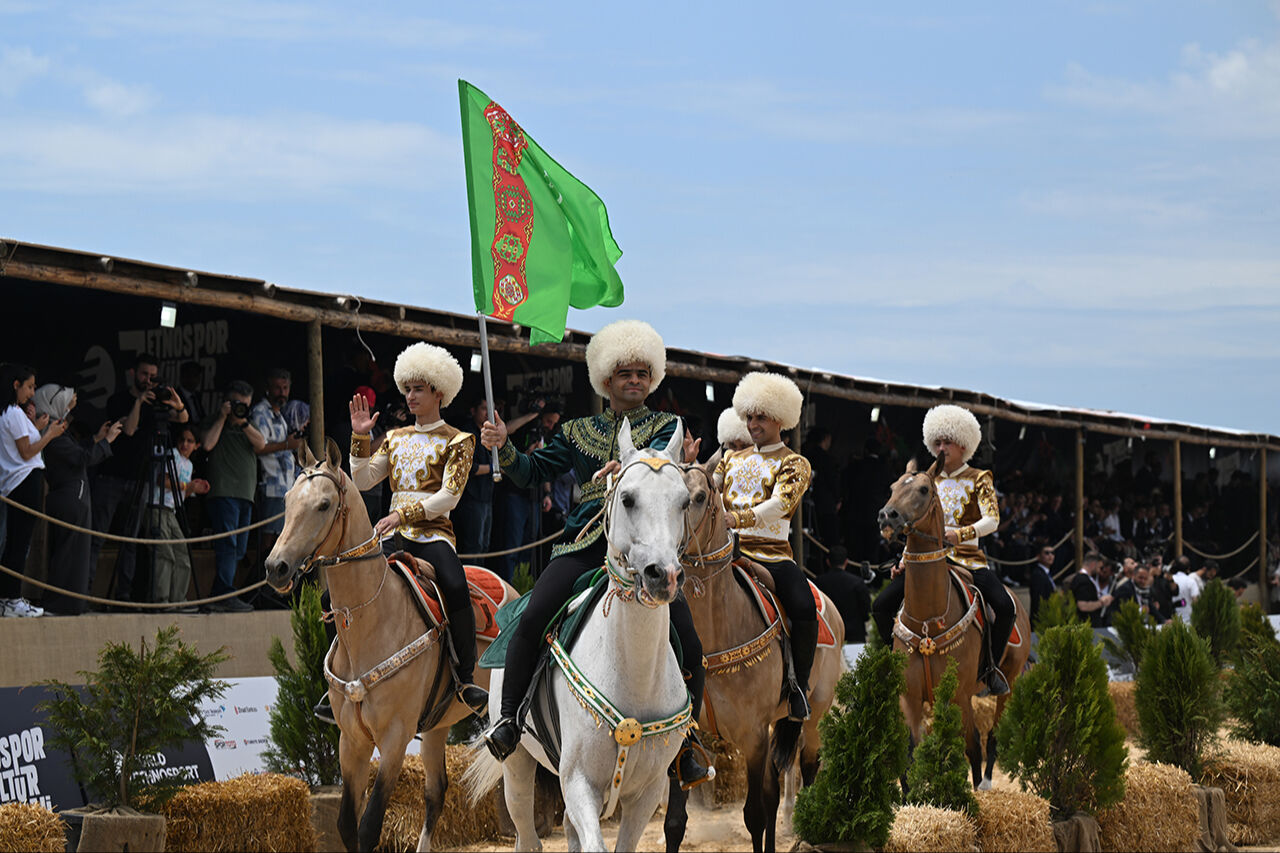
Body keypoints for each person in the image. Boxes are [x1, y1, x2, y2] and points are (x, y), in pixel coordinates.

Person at [479, 319, 710, 789]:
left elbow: (664, 476)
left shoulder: (667, 426)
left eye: (644, 374)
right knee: (533, 616)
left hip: (642, 551)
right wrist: (505, 448)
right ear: (606, 380)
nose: (635, 381)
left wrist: (655, 465)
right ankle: (506, 720)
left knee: (690, 641)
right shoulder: (577, 430)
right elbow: (532, 471)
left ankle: (686, 743)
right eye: (626, 373)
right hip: (585, 542)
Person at [348, 342, 487, 713]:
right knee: (337, 595)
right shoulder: (394, 437)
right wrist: (361, 437)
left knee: (456, 585)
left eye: (418, 389)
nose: (410, 396)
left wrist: (401, 515)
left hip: (434, 535)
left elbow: (449, 498)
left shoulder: (460, 440)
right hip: (390, 536)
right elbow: (362, 480)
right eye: (407, 388)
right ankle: (341, 678)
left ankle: (466, 677)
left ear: (439, 392)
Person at [871, 404, 1013, 696]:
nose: (942, 447)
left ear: (963, 445)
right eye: (937, 442)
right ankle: (892, 666)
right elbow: (911, 525)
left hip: (969, 560)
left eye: (948, 441)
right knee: (881, 605)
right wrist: (902, 560)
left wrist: (960, 534)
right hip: (923, 561)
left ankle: (990, 668)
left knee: (1005, 606)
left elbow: (993, 520)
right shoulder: (926, 481)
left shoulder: (979, 477)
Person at [716, 371, 818, 719]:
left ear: (780, 419)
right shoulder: (730, 459)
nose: (753, 423)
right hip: (724, 553)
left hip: (773, 556)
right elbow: (705, 488)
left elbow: (781, 503)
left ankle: (798, 689)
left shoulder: (795, 463)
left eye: (761, 416)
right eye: (749, 416)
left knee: (804, 608)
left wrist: (736, 520)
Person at [90, 353, 189, 601]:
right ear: (134, 373)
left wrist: (178, 404)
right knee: (99, 537)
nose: (149, 380)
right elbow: (131, 430)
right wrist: (138, 402)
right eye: (145, 374)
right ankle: (86, 591)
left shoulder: (158, 402)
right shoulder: (118, 400)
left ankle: (124, 595)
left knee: (130, 540)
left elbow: (184, 419)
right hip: (111, 477)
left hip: (140, 479)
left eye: (153, 376)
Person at [34, 384, 123, 615]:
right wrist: (108, 441)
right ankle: (62, 603)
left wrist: (96, 438)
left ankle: (67, 601)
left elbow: (76, 450)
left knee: (73, 552)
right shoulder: (51, 434)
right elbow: (82, 458)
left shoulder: (56, 432)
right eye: (64, 404)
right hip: (70, 496)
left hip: (71, 495)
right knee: (69, 553)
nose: (69, 409)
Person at [0, 365, 64, 617]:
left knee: (16, 542)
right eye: (30, 386)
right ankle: (11, 599)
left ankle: (8, 598)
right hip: (23, 481)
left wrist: (37, 428)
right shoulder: (13, 412)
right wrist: (50, 434)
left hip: (18, 482)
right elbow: (27, 452)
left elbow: (21, 448)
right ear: (16, 385)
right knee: (19, 544)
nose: (32, 392)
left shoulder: (10, 414)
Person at [201, 380, 266, 612]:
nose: (241, 408)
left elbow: (262, 444)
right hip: (223, 491)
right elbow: (207, 445)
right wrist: (222, 417)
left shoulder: (248, 424)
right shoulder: (214, 420)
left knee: (238, 548)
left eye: (245, 405)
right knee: (228, 544)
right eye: (237, 404)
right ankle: (224, 594)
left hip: (245, 494)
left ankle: (220, 592)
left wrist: (244, 422)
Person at [250, 368, 306, 564]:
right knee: (268, 543)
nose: (281, 392)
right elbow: (259, 447)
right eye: (277, 388)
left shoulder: (280, 416)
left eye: (285, 388)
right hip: (270, 487)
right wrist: (287, 445)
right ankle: (260, 588)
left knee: (280, 543)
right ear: (267, 389)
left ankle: (272, 592)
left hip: (285, 488)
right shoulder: (260, 413)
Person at [149, 425, 209, 607]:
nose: (185, 444)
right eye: (182, 439)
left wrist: (193, 488)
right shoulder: (172, 454)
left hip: (172, 510)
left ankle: (178, 599)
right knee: (165, 553)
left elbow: (182, 495)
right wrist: (186, 486)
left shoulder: (189, 464)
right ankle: (162, 600)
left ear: (196, 445)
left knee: (182, 553)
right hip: (158, 506)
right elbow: (162, 480)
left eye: (190, 441)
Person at [453, 397, 496, 565]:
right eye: (484, 409)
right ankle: (471, 586)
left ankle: (481, 583)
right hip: (471, 499)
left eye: (490, 409)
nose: (488, 413)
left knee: (484, 546)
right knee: (473, 546)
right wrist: (494, 468)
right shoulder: (467, 432)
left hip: (486, 497)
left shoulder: (487, 432)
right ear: (473, 410)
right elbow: (469, 467)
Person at [812, 545, 871, 642]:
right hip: (855, 633)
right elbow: (865, 609)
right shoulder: (857, 582)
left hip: (828, 633)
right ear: (846, 562)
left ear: (828, 562)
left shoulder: (819, 582)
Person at [1070, 553, 1113, 628]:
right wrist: (1102, 602)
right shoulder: (1083, 580)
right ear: (1093, 564)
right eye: (1100, 567)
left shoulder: (1083, 579)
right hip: (1087, 625)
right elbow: (1083, 606)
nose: (1100, 570)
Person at [1028, 544, 1057, 628]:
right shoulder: (1038, 575)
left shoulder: (1046, 573)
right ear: (1038, 556)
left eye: (1052, 553)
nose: (1050, 556)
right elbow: (1038, 600)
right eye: (1047, 553)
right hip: (1041, 620)